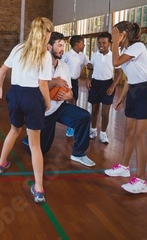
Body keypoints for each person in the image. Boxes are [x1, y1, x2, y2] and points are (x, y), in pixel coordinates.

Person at [0, 17, 53, 204]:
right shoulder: (44, 54)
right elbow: (43, 85)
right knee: (35, 144)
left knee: (14, 130)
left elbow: (2, 70)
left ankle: (1, 163)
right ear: (47, 33)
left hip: (15, 94)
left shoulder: (18, 48)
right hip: (32, 96)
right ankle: (39, 188)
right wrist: (48, 102)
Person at [22, 32, 95, 167]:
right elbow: (35, 90)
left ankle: (79, 153)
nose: (62, 49)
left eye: (63, 45)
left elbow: (69, 90)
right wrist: (53, 82)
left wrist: (69, 95)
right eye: (59, 45)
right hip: (44, 111)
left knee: (84, 116)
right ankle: (30, 136)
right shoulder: (38, 64)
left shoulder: (64, 66)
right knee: (42, 150)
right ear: (49, 46)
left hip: (59, 107)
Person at [104, 21, 147, 194]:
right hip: (134, 91)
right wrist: (122, 97)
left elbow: (115, 63)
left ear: (123, 34)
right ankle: (124, 167)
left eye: (115, 33)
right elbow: (129, 77)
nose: (113, 35)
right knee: (128, 132)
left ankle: (142, 181)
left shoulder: (138, 47)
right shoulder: (126, 50)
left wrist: (113, 42)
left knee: (138, 135)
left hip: (146, 92)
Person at [87, 32, 123, 144]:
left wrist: (112, 86)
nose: (101, 45)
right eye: (99, 43)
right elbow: (91, 69)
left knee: (105, 113)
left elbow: (119, 73)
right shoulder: (94, 55)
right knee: (94, 110)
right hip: (95, 84)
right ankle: (93, 130)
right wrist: (88, 79)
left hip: (107, 84)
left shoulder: (113, 57)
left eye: (104, 43)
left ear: (109, 44)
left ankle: (103, 133)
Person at [62, 35, 92, 137]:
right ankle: (68, 124)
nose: (84, 45)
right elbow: (59, 66)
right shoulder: (67, 55)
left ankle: (71, 125)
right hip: (65, 81)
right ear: (76, 44)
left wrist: (91, 69)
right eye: (82, 43)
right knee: (68, 102)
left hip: (75, 82)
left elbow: (89, 65)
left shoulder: (82, 56)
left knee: (74, 101)